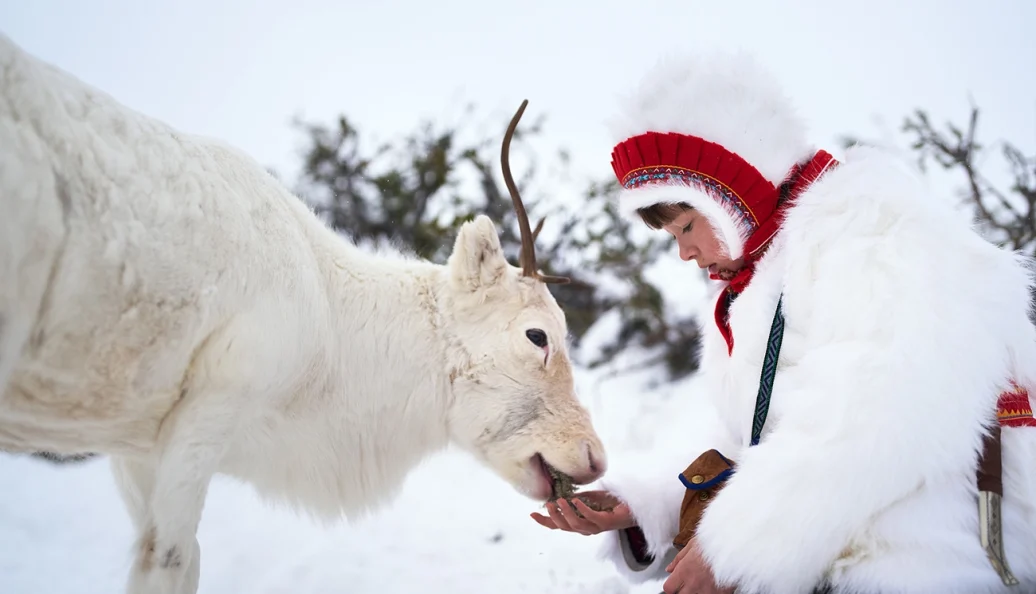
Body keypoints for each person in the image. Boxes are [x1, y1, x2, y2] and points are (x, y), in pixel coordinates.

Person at [531, 52, 1036, 594]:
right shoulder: (762, 278)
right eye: (672, 237)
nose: (685, 253)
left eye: (686, 226)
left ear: (730, 187)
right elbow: (756, 437)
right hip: (843, 555)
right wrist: (646, 505)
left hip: (926, 560)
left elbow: (868, 425)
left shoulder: (874, 235)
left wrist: (733, 549)